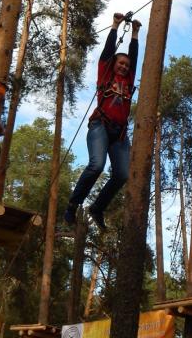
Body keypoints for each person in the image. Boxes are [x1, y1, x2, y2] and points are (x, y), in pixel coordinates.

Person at [64, 13, 142, 230]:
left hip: (119, 134)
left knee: (122, 174)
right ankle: (73, 204)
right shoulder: (106, 75)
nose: (125, 67)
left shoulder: (128, 80)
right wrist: (115, 26)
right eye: (121, 63)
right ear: (113, 65)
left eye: (127, 65)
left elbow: (134, 58)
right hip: (100, 125)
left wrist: (135, 33)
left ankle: (97, 208)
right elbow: (108, 53)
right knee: (97, 165)